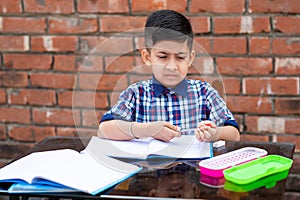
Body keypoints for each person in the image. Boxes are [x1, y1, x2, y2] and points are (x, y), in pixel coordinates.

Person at [97, 10, 240, 142]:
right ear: (147, 57)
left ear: (190, 58)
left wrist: (215, 134)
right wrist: (146, 130)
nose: (172, 66)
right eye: (163, 56)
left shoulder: (204, 93)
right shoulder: (136, 94)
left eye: (180, 57)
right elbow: (103, 130)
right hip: (149, 168)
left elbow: (234, 134)